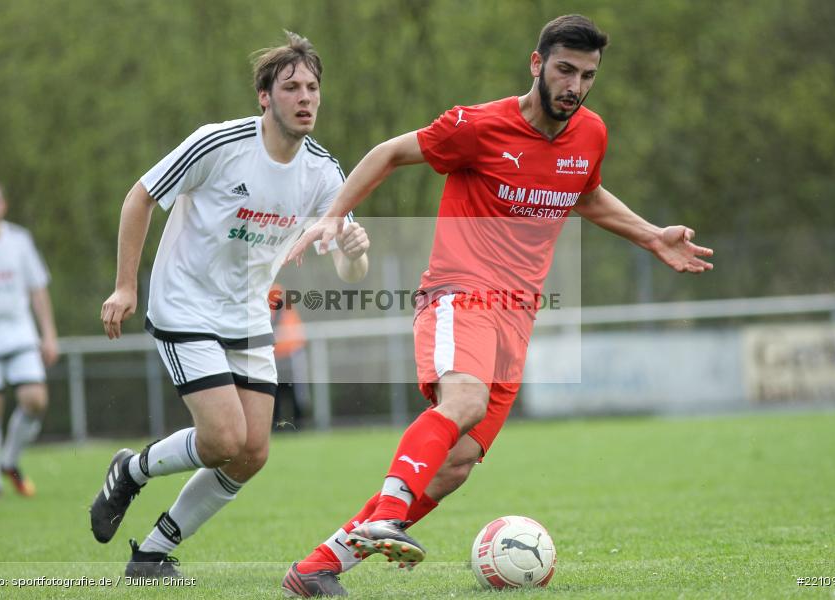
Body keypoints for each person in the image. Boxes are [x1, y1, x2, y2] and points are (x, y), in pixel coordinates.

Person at [280, 14, 714, 597]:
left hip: (518, 315)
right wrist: (333, 214)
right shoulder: (476, 126)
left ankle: (318, 568)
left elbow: (583, 192)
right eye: (564, 70)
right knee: (465, 398)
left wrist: (651, 234)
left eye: (587, 75)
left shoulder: (590, 134)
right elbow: (387, 153)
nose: (575, 86)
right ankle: (387, 509)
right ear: (537, 65)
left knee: (456, 464)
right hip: (459, 293)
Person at [89, 31, 370, 580]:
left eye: (313, 87)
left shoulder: (323, 172)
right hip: (184, 303)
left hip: (246, 316)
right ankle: (132, 470)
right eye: (291, 87)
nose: (305, 97)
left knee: (251, 453)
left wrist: (356, 253)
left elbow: (348, 266)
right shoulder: (219, 144)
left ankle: (149, 555)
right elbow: (140, 196)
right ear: (264, 97)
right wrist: (126, 286)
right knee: (221, 439)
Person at [0, 177, 59, 499]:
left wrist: (49, 335)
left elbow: (38, 289)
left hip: (19, 333)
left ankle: (9, 461)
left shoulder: (20, 240)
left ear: (3, 205)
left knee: (35, 400)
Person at [270, 284, 310, 431]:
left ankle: (298, 426)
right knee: (275, 396)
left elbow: (298, 335)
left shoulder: (286, 310)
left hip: (291, 358)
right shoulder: (267, 310)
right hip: (275, 359)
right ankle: (277, 428)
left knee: (295, 395)